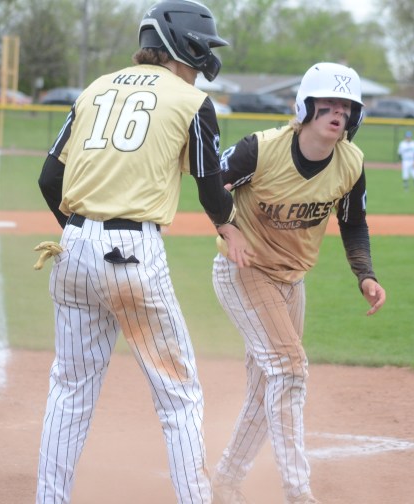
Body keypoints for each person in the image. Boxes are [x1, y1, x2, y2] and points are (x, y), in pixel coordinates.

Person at [34, 1, 252, 503]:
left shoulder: (95, 87)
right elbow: (210, 185)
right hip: (131, 253)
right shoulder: (190, 101)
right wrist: (228, 227)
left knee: (70, 390)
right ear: (182, 45)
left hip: (73, 249)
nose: (204, 62)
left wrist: (79, 235)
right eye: (202, 50)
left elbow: (50, 179)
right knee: (178, 396)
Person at [210, 62, 386, 504]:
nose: (338, 112)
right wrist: (228, 229)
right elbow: (211, 181)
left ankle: (226, 481)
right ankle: (298, 492)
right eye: (328, 103)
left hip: (292, 281)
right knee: (289, 370)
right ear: (306, 107)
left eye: (346, 106)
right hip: (244, 271)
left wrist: (364, 274)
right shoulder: (262, 149)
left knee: (268, 386)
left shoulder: (350, 162)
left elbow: (354, 222)